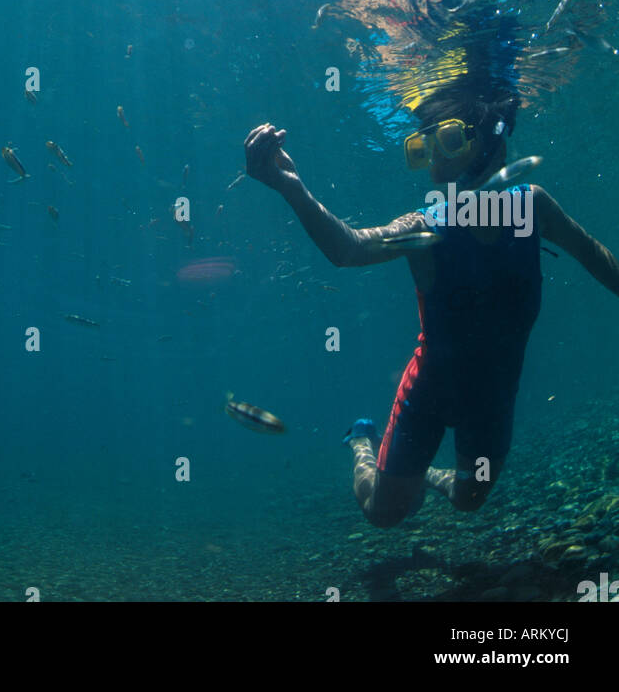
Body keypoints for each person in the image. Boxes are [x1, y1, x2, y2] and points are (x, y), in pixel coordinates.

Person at [244, 86, 619, 529]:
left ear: (487, 142)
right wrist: (291, 187)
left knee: (468, 498)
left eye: (447, 140)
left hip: (493, 397)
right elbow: (349, 249)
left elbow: (592, 252)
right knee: (384, 512)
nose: (436, 158)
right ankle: (361, 442)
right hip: (430, 393)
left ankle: (428, 476)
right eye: (425, 147)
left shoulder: (531, 205)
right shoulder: (426, 226)